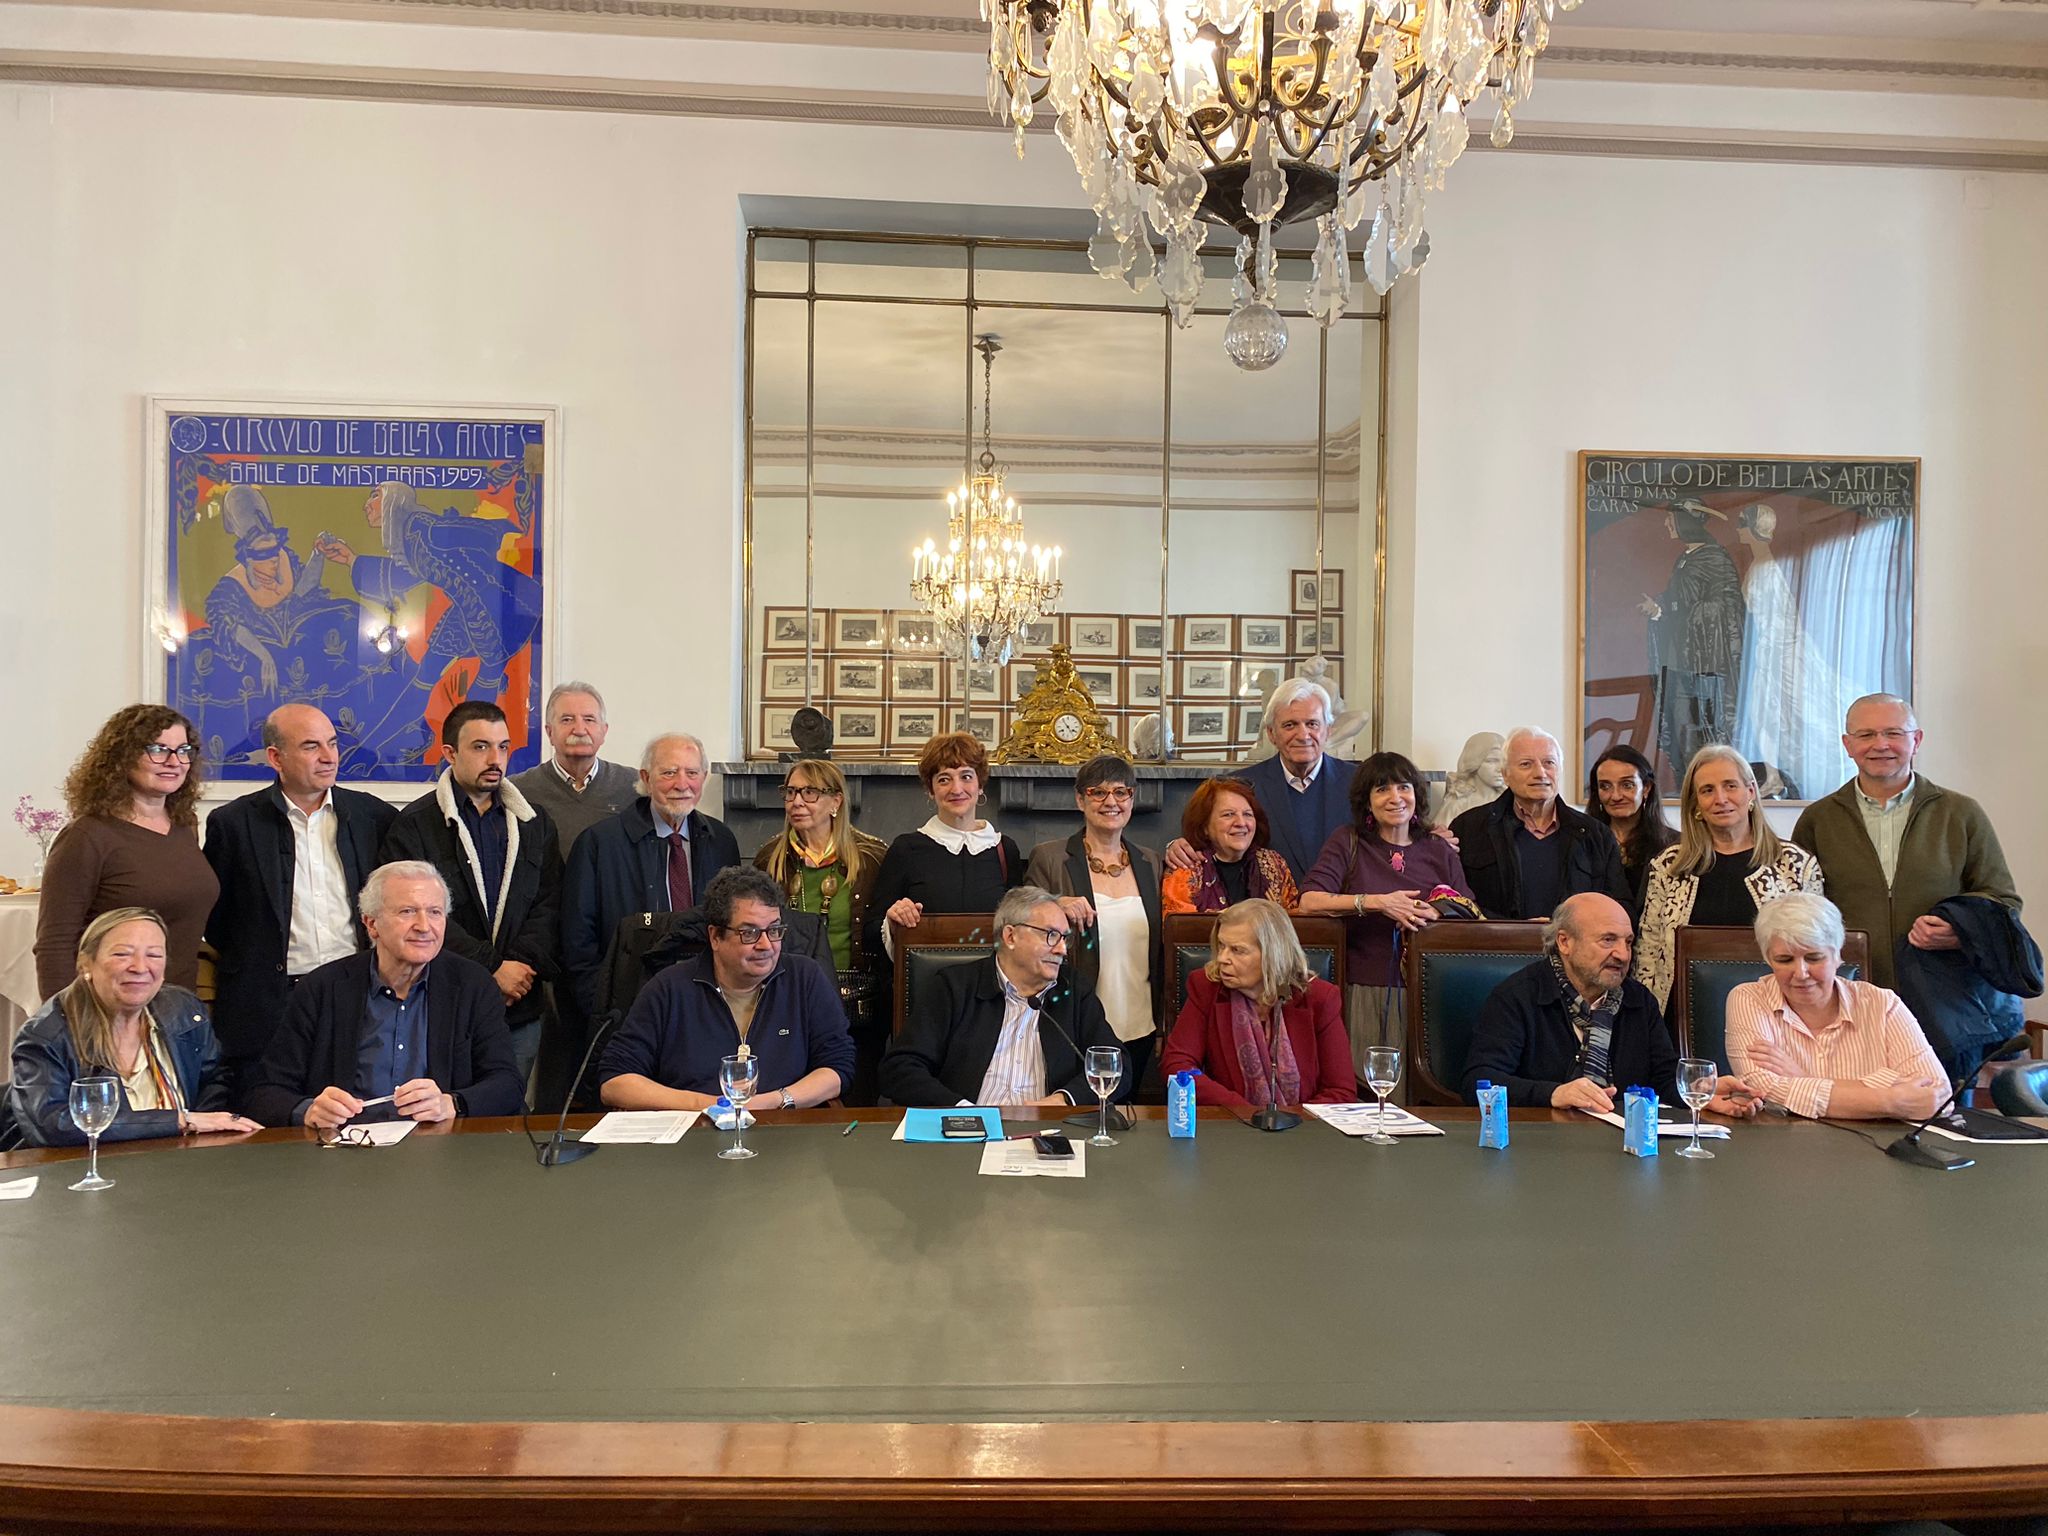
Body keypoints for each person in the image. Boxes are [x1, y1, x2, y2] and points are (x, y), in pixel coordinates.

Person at [201, 703, 398, 1089]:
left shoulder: (372, 816)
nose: (329, 757)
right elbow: (218, 922)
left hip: (357, 993)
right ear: (276, 758)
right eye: (311, 746)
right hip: (269, 1005)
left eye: (333, 744)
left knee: (353, 1105)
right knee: (270, 1108)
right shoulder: (234, 824)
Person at [242, 861, 525, 1128]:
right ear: (371, 924)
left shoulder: (472, 984)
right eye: (407, 912)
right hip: (346, 1146)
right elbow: (264, 1091)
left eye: (435, 912)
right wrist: (308, 1110)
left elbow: (507, 1084)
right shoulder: (322, 988)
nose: (424, 926)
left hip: (439, 1146)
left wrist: (452, 1103)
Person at [379, 700, 561, 1091]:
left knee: (509, 1109)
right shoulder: (414, 826)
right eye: (480, 747)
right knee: (442, 1108)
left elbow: (549, 903)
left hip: (519, 1003)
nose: (495, 759)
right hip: (443, 1001)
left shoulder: (534, 822)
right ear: (450, 753)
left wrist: (518, 969)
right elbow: (415, 916)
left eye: (503, 747)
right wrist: (492, 969)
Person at [1791, 694, 2020, 991]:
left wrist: (1960, 932)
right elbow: (1799, 909)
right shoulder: (1817, 819)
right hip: (1851, 991)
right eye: (1866, 735)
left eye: (1894, 733)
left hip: (1947, 994)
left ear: (1917, 740)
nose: (1880, 744)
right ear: (1848, 745)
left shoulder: (1961, 813)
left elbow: (2003, 901)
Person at [1461, 892, 1757, 1115]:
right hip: (1542, 1145)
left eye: (1628, 942)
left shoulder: (1638, 1000)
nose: (1622, 954)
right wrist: (1554, 1094)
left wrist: (1700, 1091)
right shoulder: (1518, 996)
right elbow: (1478, 1080)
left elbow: (1663, 1078)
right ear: (1564, 942)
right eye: (1607, 940)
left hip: (1624, 1142)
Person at [597, 868, 852, 1112]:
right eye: (750, 933)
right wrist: (707, 1105)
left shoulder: (805, 978)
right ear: (715, 937)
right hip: (693, 1131)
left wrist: (774, 1101)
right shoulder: (668, 988)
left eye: (774, 930)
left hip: (784, 1128)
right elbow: (615, 1082)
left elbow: (838, 1066)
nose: (766, 945)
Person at [7, 908, 260, 1146]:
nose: (139, 967)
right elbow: (53, 1125)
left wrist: (199, 1139)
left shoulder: (184, 1011)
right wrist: (181, 1121)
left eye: (154, 955)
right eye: (122, 954)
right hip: (83, 1166)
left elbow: (215, 1079)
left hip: (179, 1162)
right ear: (85, 964)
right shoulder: (45, 1036)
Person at [1297, 751, 1472, 1086]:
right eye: (1382, 789)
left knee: (1421, 1089)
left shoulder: (1438, 848)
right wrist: (1377, 902)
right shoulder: (1347, 841)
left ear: (1416, 795)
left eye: (1404, 787)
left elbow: (1466, 906)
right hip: (1364, 987)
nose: (1395, 797)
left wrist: (1437, 911)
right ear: (1367, 801)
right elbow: (1309, 901)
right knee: (1364, 1086)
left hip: (1427, 991)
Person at [880, 885, 1128, 1109]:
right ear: (1010, 936)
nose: (1062, 949)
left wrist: (1063, 1099)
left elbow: (1117, 1065)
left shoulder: (1073, 990)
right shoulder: (954, 987)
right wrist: (962, 1111)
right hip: (967, 1131)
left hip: (1048, 1130)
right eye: (1051, 935)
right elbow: (900, 1068)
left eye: (1065, 938)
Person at [34, 705, 220, 1000]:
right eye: (158, 749)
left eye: (183, 750)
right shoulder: (87, 836)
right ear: (122, 757)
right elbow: (54, 944)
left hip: (178, 1005)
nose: (174, 761)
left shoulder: (185, 826)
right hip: (108, 1007)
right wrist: (65, 1019)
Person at [561, 732, 741, 1018]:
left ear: (704, 778)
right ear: (646, 778)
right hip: (627, 1006)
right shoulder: (598, 844)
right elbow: (577, 941)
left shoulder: (721, 841)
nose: (682, 784)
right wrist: (602, 1007)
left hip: (708, 1005)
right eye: (669, 773)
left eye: (692, 773)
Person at [1632, 744, 1823, 1012]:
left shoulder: (1795, 864)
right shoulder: (1668, 866)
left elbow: (1818, 949)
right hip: (1683, 1014)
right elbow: (1648, 952)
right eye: (1707, 790)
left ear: (1751, 792)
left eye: (1730, 786)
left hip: (1777, 1015)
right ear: (1696, 804)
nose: (1720, 798)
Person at [1725, 892, 1948, 1121]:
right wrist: (1891, 1100)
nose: (1801, 973)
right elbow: (1760, 1086)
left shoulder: (1883, 1004)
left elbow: (1937, 1093)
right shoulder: (1749, 998)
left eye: (1814, 958)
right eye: (1785, 960)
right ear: (1768, 959)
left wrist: (1804, 1079)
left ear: (1838, 955)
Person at [1024, 755, 1165, 1089]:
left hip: (1141, 1021)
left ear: (1132, 798)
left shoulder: (1151, 861)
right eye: (1098, 792)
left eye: (1121, 792)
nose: (1111, 802)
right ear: (1080, 800)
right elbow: (1019, 916)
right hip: (1075, 1018)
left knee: (1129, 1111)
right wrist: (1055, 903)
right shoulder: (1050, 857)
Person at [753, 758, 888, 1101]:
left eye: (810, 792)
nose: (797, 802)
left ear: (835, 801)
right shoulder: (770, 858)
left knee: (855, 1097)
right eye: (791, 792)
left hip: (854, 1001)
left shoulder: (872, 857)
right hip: (787, 997)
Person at [1160, 898, 1352, 1109]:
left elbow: (1340, 1091)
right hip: (1231, 1122)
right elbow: (1177, 1065)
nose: (1222, 958)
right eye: (1221, 946)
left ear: (1273, 954)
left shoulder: (1320, 998)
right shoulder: (1207, 988)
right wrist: (1245, 1112)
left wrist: (1291, 1120)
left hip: (1303, 1126)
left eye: (1237, 950)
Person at [1167, 680, 1356, 886]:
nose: (1303, 735)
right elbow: (1199, 841)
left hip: (1345, 903)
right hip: (1263, 904)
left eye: (1312, 724)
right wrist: (1176, 847)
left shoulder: (1359, 783)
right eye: (1290, 725)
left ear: (1328, 730)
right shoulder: (1239, 786)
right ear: (1271, 734)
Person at [867, 732, 1024, 959]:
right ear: (930, 790)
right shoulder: (906, 849)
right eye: (944, 779)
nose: (956, 789)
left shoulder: (1005, 850)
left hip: (992, 978)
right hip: (929, 979)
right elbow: (871, 933)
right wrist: (892, 921)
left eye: (966, 776)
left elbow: (1019, 926)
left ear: (980, 785)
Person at [1449, 726, 1629, 922]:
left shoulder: (1595, 834)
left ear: (1559, 770)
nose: (1540, 773)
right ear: (1506, 774)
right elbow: (1456, 902)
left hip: (1574, 941)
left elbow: (1619, 906)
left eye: (1549, 763)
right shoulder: (1468, 828)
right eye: (1526, 764)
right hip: (1497, 941)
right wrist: (1518, 930)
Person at [1643, 498, 1745, 774]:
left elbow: (1726, 607)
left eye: (1671, 519)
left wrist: (1685, 612)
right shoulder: (1684, 558)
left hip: (1705, 663)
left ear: (1685, 522)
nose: (1667, 524)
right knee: (1680, 724)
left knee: (1706, 729)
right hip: (1679, 658)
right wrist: (1659, 608)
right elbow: (1676, 599)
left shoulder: (1715, 559)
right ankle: (1687, 781)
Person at [508, 681, 640, 854]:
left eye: (589, 720)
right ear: (549, 732)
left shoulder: (635, 786)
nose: (579, 730)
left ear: (604, 731)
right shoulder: (517, 791)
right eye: (567, 720)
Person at [1160, 777, 1300, 915]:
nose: (1241, 823)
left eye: (1247, 814)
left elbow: (1293, 921)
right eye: (1228, 814)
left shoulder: (1275, 864)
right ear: (1204, 826)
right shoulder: (1185, 867)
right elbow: (1179, 926)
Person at [1583, 744, 1676, 919]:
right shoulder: (1583, 842)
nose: (1616, 796)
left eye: (1627, 785)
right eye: (1605, 786)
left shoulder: (1674, 846)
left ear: (1646, 788)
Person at [1437, 731, 1506, 826]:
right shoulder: (1459, 804)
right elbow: (1440, 833)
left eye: (1504, 761)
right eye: (1491, 761)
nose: (1500, 769)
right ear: (1474, 762)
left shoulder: (1512, 802)